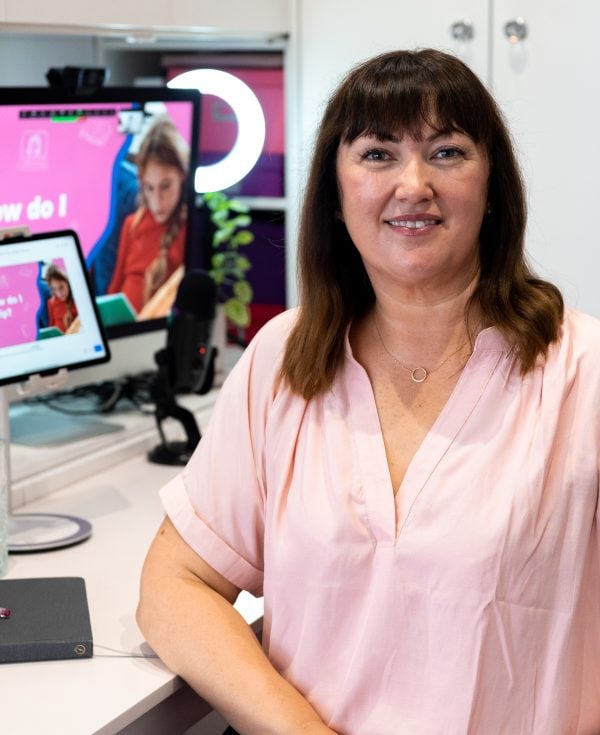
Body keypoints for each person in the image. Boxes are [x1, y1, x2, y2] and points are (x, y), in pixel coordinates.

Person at [137, 49, 600, 734]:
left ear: (493, 185)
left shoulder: (580, 371)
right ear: (335, 191)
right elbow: (173, 584)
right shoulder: (286, 359)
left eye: (446, 152)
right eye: (378, 154)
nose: (413, 184)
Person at [107, 115, 189, 313]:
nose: (157, 201)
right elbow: (114, 290)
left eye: (165, 186)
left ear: (182, 177)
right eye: (149, 188)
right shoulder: (131, 224)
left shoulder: (189, 228)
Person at [44, 263, 77, 333]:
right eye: (54, 289)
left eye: (61, 287)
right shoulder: (51, 302)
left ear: (68, 282)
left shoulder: (77, 299)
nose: (59, 293)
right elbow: (51, 327)